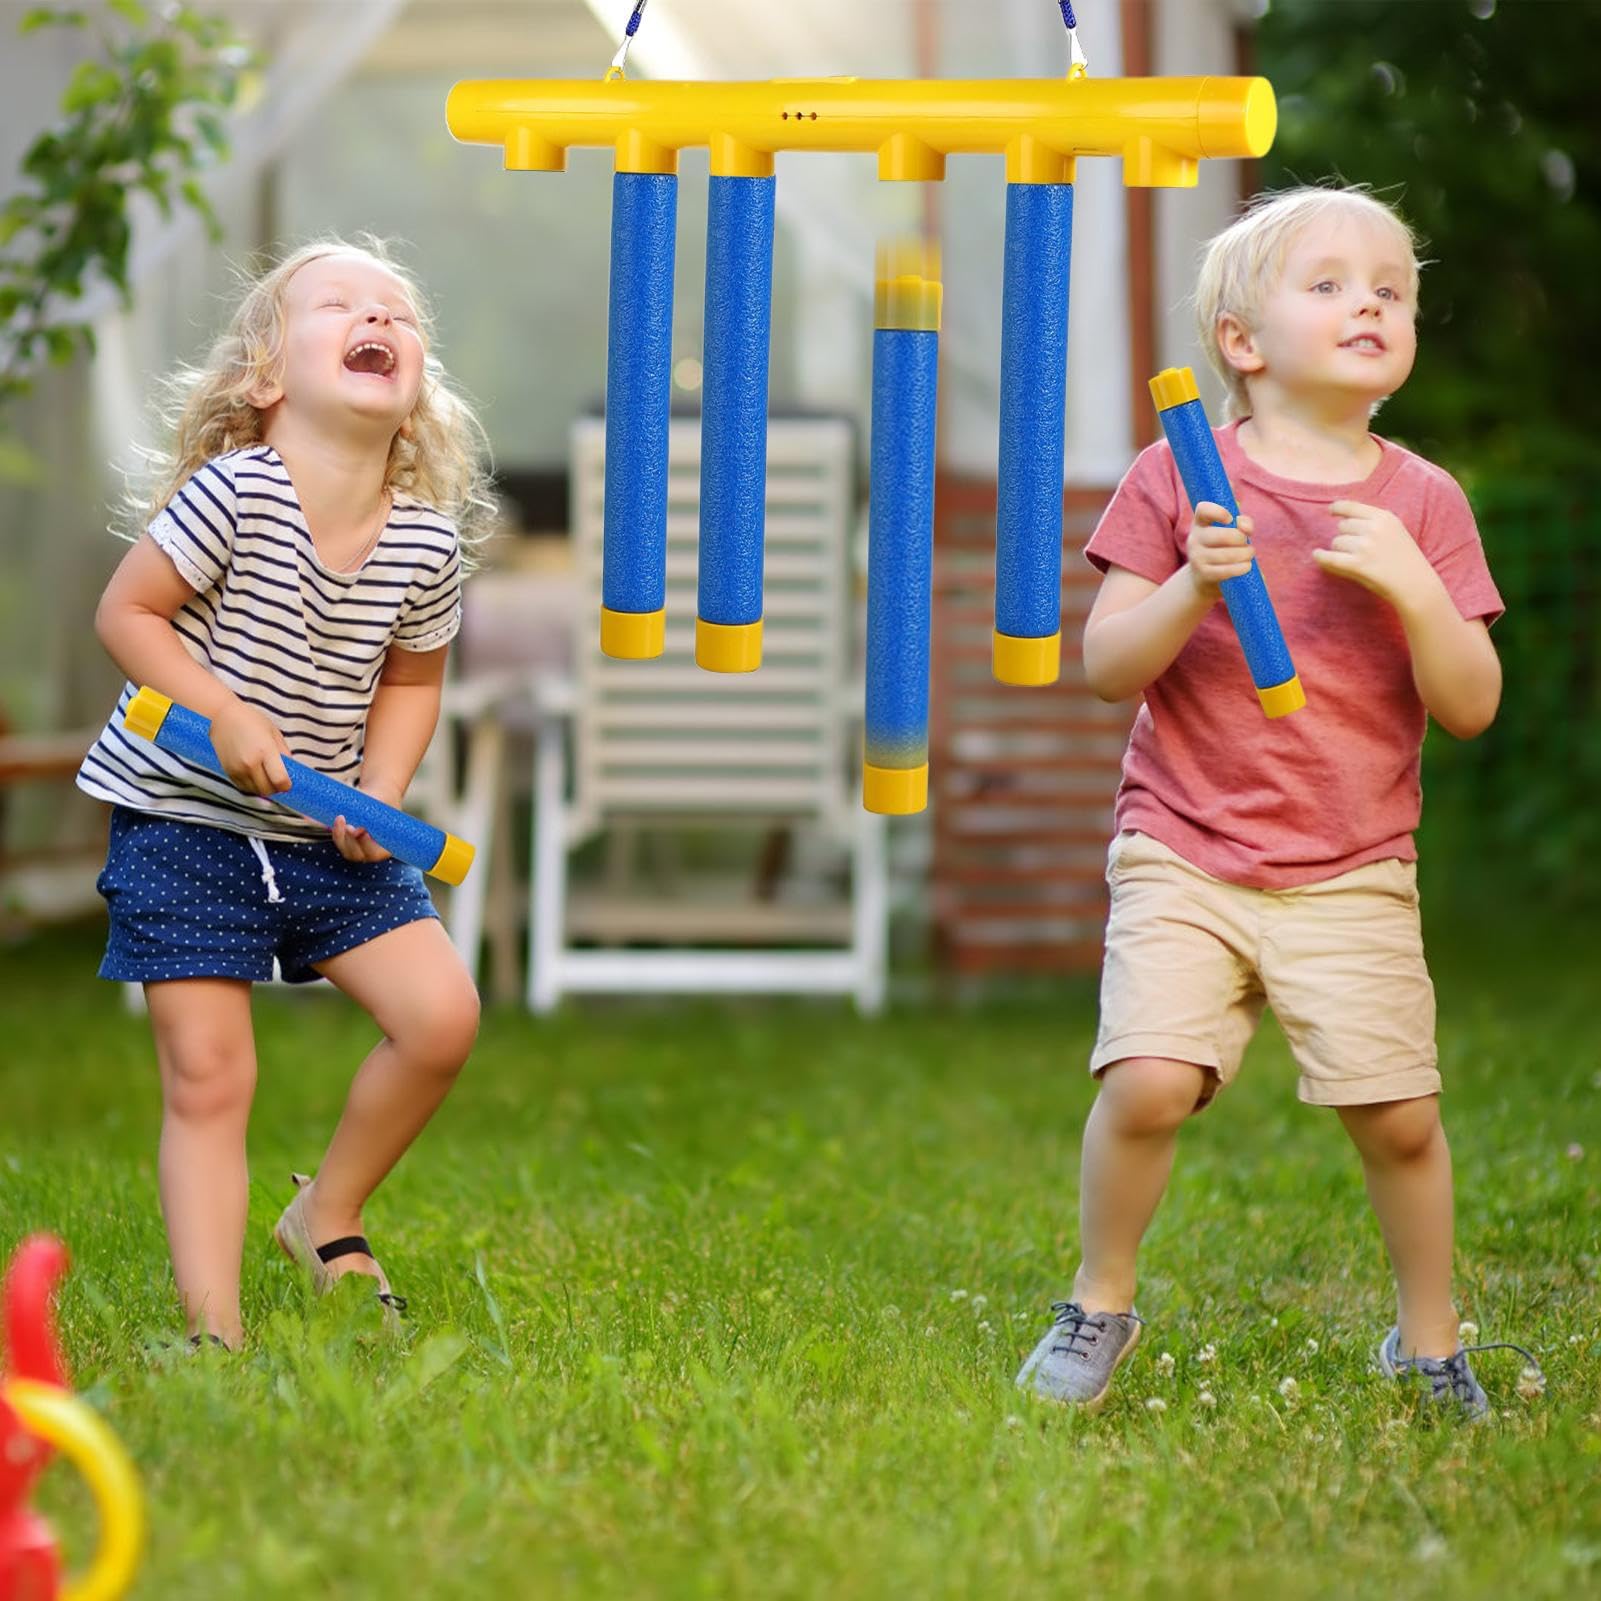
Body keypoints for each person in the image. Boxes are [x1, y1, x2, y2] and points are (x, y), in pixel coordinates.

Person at [1014, 186, 1534, 1418]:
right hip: (1183, 844)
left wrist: (1413, 588)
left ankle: (1425, 1338)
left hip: (1349, 859)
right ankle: (1097, 1299)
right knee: (1144, 1081)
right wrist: (1194, 584)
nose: (1370, 300)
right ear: (1240, 342)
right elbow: (1103, 669)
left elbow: (1469, 702)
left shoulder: (1422, 502)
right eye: (1330, 282)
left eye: (1391, 288)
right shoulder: (1175, 472)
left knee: (1398, 1117)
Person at [79, 239, 493, 1349]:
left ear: (416, 390)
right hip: (186, 813)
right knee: (213, 1074)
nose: (378, 319)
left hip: (324, 825)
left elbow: (413, 674)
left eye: (398, 314)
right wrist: (221, 705)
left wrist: (382, 786)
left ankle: (328, 1209)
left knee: (441, 1016)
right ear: (265, 379)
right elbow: (129, 614)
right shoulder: (235, 492)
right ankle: (215, 1335)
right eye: (341, 306)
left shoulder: (424, 541)